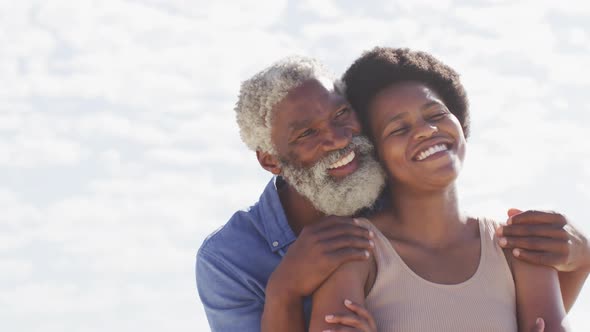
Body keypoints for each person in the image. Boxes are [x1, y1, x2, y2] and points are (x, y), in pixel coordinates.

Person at [196, 56, 590, 332]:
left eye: (340, 115)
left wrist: (582, 256)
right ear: (270, 160)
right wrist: (284, 290)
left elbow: (497, 310)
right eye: (306, 133)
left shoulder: (394, 188)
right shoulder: (229, 259)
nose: (337, 139)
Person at [307, 47, 576, 332]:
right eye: (398, 129)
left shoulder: (520, 249)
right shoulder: (352, 251)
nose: (426, 130)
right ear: (374, 154)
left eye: (436, 114)